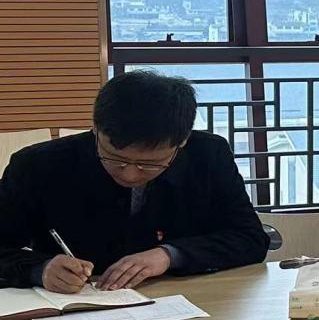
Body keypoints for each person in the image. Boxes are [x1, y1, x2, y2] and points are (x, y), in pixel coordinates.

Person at [0, 71, 269, 292]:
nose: (129, 174)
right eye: (114, 158)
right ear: (96, 128)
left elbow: (250, 238)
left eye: (149, 164)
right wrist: (39, 269)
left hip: (183, 304)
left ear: (183, 140)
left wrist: (169, 255)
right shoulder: (38, 165)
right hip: (75, 309)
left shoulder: (208, 155)